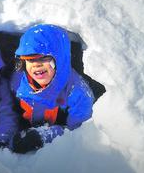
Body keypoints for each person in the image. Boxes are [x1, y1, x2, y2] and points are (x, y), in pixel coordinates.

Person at [10, 24, 94, 153]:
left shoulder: (78, 93)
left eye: (44, 58)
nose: (37, 65)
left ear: (59, 58)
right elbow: (7, 109)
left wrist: (44, 135)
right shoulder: (18, 81)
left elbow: (77, 132)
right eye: (30, 60)